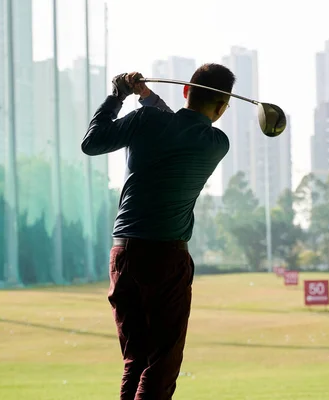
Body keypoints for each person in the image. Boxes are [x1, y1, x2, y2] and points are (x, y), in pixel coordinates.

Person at [81, 64, 236, 400]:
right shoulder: (216, 142)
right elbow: (177, 124)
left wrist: (118, 97)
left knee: (136, 360)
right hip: (166, 259)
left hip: (123, 254)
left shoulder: (146, 120)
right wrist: (148, 99)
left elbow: (92, 143)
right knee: (161, 363)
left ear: (185, 91)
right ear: (223, 108)